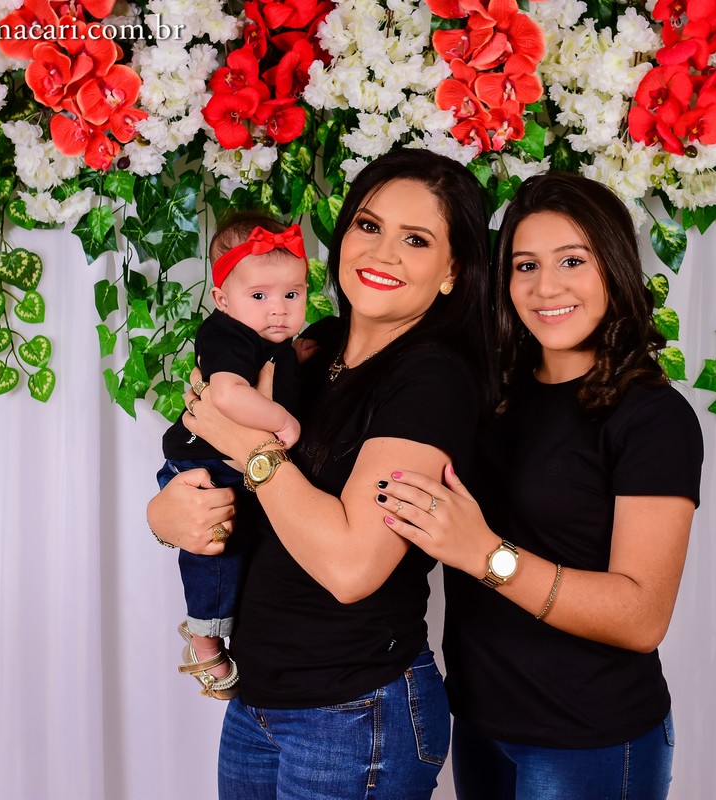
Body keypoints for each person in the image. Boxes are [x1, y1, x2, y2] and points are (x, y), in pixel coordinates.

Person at [146, 147, 493, 799]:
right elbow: (211, 453)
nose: (382, 253)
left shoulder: (433, 379)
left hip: (355, 712)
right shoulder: (312, 344)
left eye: (416, 239)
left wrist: (251, 447)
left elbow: (351, 568)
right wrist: (166, 515)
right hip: (257, 702)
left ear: (452, 270)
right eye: (369, 225)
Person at [376, 172, 703, 800]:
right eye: (525, 265)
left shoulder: (652, 418)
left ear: (614, 268)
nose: (545, 287)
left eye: (572, 261)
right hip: (478, 723)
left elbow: (641, 617)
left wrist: (483, 553)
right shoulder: (490, 392)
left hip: (590, 739)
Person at [157, 215, 308, 699]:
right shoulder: (229, 334)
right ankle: (204, 639)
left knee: (237, 546)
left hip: (231, 462)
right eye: (259, 295)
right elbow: (225, 393)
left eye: (292, 294)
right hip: (204, 465)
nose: (278, 309)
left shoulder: (271, 339)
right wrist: (282, 421)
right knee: (216, 550)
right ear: (223, 300)